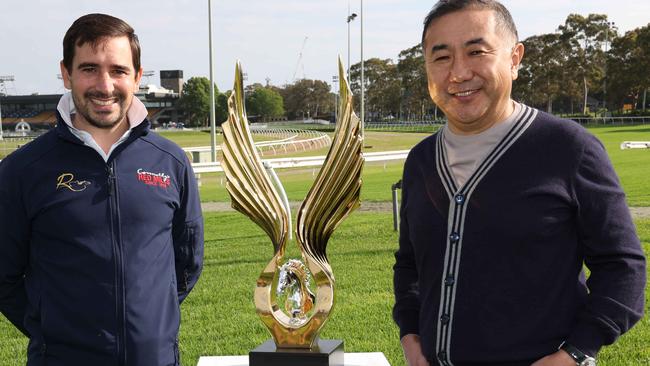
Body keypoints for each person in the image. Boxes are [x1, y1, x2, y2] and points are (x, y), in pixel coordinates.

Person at [392, 1, 646, 365]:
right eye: (442, 57)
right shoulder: (421, 160)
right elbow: (410, 265)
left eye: (476, 51)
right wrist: (410, 336)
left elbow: (623, 267)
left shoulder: (569, 149)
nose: (459, 73)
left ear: (514, 58)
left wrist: (575, 353)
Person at [0, 14, 204, 365]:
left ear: (137, 77)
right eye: (89, 69)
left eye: (119, 71)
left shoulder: (170, 162)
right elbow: (4, 277)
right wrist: (51, 327)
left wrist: (148, 323)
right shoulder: (22, 170)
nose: (105, 85)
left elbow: (186, 264)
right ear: (66, 74)